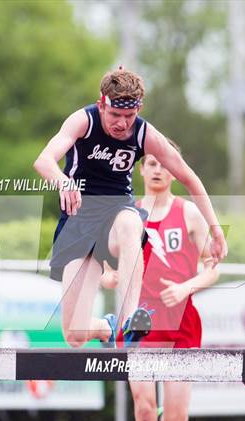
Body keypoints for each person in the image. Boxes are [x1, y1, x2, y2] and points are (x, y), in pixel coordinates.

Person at [34, 67, 226, 349]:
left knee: (130, 223)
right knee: (74, 336)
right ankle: (106, 327)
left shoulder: (144, 133)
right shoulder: (83, 120)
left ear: (139, 109)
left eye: (129, 116)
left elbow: (188, 177)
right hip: (79, 222)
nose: (122, 124)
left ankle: (130, 318)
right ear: (102, 104)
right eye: (115, 115)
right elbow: (44, 161)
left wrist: (215, 227)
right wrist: (64, 183)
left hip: (116, 215)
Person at [101, 141, 220, 421]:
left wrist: (187, 288)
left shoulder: (189, 214)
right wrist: (109, 276)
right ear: (141, 169)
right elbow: (102, 258)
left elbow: (212, 268)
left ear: (174, 170)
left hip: (183, 322)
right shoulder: (127, 215)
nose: (157, 170)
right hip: (142, 323)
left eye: (164, 164)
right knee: (143, 410)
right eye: (150, 163)